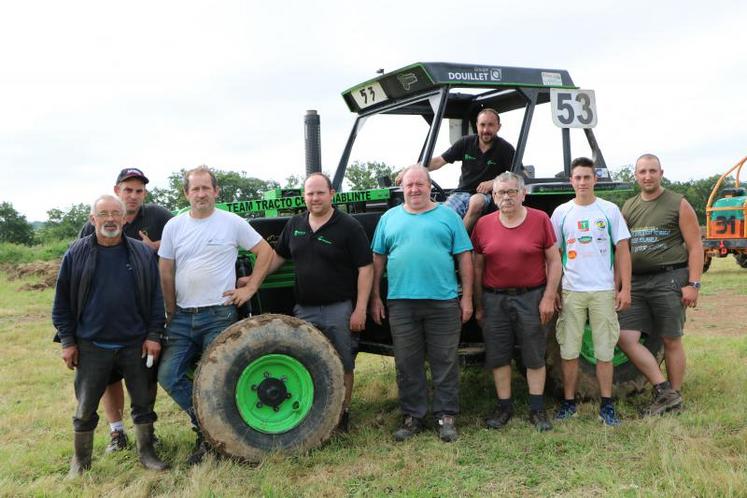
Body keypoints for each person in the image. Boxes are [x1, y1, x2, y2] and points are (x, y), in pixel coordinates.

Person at [157, 165, 273, 464]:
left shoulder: (231, 222)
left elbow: (265, 252)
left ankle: (221, 440)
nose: (200, 193)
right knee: (169, 375)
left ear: (216, 191)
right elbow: (166, 271)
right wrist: (169, 311)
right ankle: (207, 428)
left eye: (205, 188)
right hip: (182, 316)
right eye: (194, 189)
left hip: (219, 315)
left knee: (218, 380)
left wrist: (250, 288)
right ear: (186, 193)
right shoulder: (174, 227)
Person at [52, 195, 168, 477]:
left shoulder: (141, 253)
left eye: (116, 213)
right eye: (103, 214)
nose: (110, 219)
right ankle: (81, 462)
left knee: (143, 403)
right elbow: (61, 303)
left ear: (124, 218)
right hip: (91, 345)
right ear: (93, 219)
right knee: (85, 408)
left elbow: (156, 299)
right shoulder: (76, 253)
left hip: (135, 343)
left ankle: (147, 453)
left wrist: (154, 334)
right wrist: (67, 341)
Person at [370, 165, 473, 442]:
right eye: (409, 185)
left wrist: (468, 298)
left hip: (443, 302)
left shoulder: (448, 217)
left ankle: (446, 416)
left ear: (430, 187)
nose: (414, 189)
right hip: (402, 303)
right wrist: (375, 297)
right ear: (401, 188)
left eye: (419, 184)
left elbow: (464, 257)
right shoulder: (389, 219)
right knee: (407, 362)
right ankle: (412, 416)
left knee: (445, 361)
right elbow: (377, 260)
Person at [266, 173, 373, 431]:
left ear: (331, 194)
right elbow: (277, 257)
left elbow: (366, 268)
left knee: (343, 362)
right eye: (310, 193)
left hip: (339, 308)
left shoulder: (348, 226)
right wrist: (253, 279)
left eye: (320, 193)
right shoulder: (295, 224)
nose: (314, 198)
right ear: (304, 196)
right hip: (304, 309)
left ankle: (342, 415)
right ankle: (315, 413)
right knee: (306, 362)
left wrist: (360, 309)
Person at [79, 167, 172, 453]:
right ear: (117, 191)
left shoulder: (159, 217)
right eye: (128, 190)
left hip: (144, 313)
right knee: (109, 375)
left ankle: (148, 432)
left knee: (146, 374)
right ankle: (117, 432)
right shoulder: (93, 225)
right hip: (105, 317)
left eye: (139, 191)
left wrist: (156, 246)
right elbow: (78, 270)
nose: (133, 196)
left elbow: (183, 242)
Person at [472, 172, 562, 432]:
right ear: (493, 196)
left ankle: (537, 408)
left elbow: (554, 261)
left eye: (512, 192)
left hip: (532, 296)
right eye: (501, 193)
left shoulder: (540, 219)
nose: (507, 197)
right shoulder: (484, 224)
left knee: (534, 353)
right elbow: (478, 267)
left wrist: (548, 296)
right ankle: (504, 407)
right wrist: (479, 305)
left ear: (523, 194)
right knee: (498, 355)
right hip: (494, 298)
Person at [617, 153, 703, 416]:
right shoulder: (628, 207)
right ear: (636, 175)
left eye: (652, 171)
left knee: (670, 339)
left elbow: (695, 245)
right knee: (624, 337)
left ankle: (674, 395)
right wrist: (620, 286)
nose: (648, 176)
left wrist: (694, 284)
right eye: (642, 172)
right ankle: (663, 389)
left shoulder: (678, 203)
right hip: (636, 282)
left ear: (661, 173)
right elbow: (623, 249)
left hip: (670, 278)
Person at [550, 157, 631, 426]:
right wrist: (555, 290)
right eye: (578, 177)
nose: (583, 182)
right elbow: (554, 254)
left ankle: (606, 405)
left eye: (587, 177)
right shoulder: (561, 213)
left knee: (604, 350)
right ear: (571, 181)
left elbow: (622, 250)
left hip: (603, 291)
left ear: (595, 179)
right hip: (572, 290)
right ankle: (569, 403)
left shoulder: (609, 210)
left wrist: (624, 288)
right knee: (569, 350)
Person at [396, 108, 515, 231]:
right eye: (482, 125)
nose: (485, 130)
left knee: (476, 201)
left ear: (498, 127)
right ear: (477, 125)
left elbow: (519, 176)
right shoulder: (466, 142)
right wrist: (409, 171)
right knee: (444, 213)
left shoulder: (505, 149)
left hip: (488, 197)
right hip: (462, 193)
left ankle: (459, 241)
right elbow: (438, 161)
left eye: (490, 125)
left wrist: (495, 183)